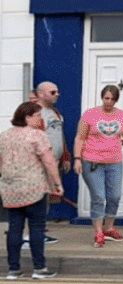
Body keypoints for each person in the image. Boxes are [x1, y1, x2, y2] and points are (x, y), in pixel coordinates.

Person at [73, 85, 123, 248]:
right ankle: (98, 232)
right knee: (99, 197)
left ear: (116, 100)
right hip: (92, 162)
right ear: (102, 97)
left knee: (114, 196)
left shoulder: (122, 116)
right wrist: (77, 159)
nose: (109, 102)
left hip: (114, 162)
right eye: (106, 98)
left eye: (112, 99)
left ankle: (109, 228)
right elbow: (80, 137)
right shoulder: (90, 114)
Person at [1, 102, 63, 279]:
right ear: (27, 118)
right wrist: (56, 183)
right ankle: (39, 268)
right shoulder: (38, 136)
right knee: (36, 227)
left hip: (10, 189)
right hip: (33, 188)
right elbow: (49, 162)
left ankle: (13, 269)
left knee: (14, 228)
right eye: (37, 115)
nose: (40, 119)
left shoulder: (4, 136)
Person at [35, 81, 69, 243]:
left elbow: (59, 136)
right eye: (52, 92)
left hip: (54, 162)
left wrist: (65, 157)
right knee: (37, 197)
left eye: (57, 92)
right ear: (41, 94)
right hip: (40, 163)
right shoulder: (35, 113)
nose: (57, 95)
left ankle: (39, 232)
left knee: (47, 197)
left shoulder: (55, 112)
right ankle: (34, 233)